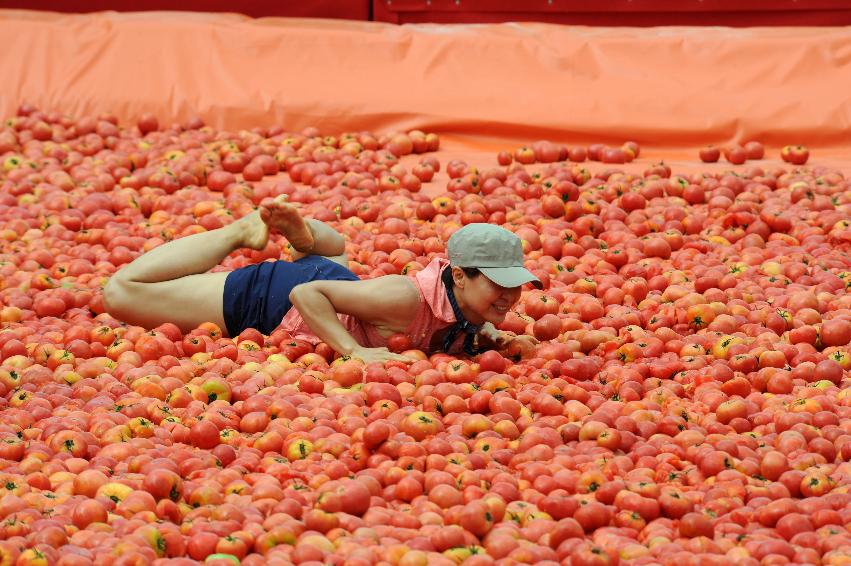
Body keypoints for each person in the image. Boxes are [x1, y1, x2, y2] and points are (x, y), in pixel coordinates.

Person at [103, 197, 541, 363]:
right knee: (121, 293)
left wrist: (490, 337)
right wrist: (353, 353)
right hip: (275, 298)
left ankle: (310, 241)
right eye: (498, 284)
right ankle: (240, 233)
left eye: (515, 283)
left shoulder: (474, 305)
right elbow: (304, 293)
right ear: (459, 277)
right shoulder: (404, 297)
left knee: (328, 266)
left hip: (341, 287)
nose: (509, 296)